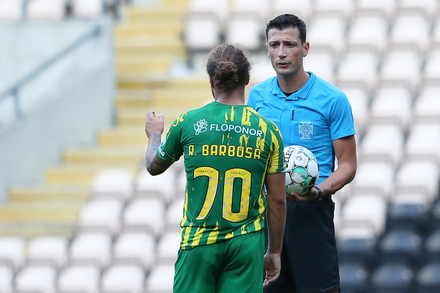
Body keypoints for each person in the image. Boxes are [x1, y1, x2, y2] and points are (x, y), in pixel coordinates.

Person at [144, 44, 287, 293]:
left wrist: (155, 136)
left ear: (211, 79)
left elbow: (153, 167)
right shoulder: (268, 130)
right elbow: (277, 200)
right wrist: (274, 251)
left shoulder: (188, 122)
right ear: (247, 79)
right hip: (245, 245)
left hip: (199, 244)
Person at [247, 14, 357, 293]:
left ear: (305, 48)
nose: (281, 53)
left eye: (289, 44)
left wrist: (318, 191)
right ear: (267, 48)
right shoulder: (257, 97)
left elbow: (347, 164)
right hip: (267, 211)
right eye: (274, 45)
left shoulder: (332, 99)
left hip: (311, 211)